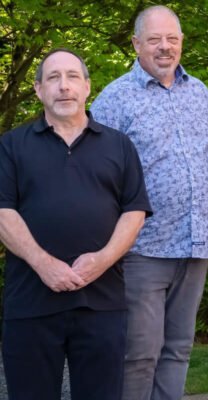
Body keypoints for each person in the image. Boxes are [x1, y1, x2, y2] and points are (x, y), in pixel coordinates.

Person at [0, 49, 151, 399]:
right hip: (31, 302)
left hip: (102, 302)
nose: (64, 86)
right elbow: (3, 211)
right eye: (53, 78)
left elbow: (134, 212)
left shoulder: (119, 145)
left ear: (87, 87)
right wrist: (43, 263)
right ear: (39, 89)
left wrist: (102, 260)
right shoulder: (11, 146)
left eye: (72, 77)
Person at [90, 6, 208, 399]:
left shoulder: (199, 93)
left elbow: (207, 156)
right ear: (136, 44)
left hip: (195, 246)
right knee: (140, 354)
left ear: (182, 43)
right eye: (155, 39)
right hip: (143, 248)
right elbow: (97, 175)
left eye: (172, 39)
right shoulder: (115, 98)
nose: (165, 47)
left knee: (178, 350)